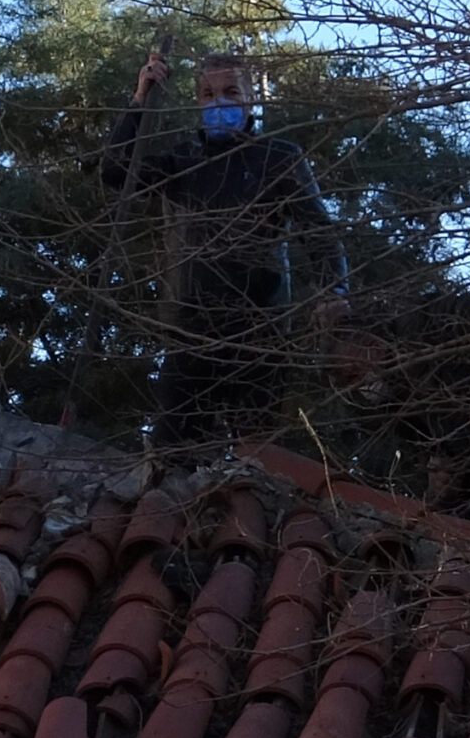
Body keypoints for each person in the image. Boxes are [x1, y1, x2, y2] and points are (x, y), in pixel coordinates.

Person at [102, 48, 349, 451]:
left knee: (256, 459)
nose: (218, 103)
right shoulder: (184, 160)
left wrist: (333, 291)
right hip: (190, 331)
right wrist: (140, 98)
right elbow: (115, 170)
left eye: (231, 92)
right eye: (207, 94)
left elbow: (318, 230)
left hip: (260, 332)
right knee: (173, 452)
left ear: (250, 99)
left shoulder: (278, 157)